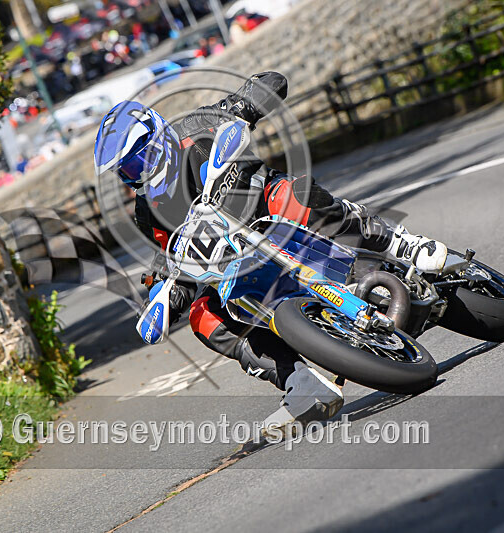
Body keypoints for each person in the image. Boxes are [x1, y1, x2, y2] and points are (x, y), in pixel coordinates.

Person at [93, 72, 448, 430]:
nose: (136, 172)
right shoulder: (145, 210)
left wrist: (249, 103)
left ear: (158, 133)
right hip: (237, 264)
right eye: (126, 170)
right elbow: (173, 255)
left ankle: (401, 244)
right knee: (204, 315)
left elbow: (271, 82)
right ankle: (299, 383)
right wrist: (163, 296)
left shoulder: (197, 125)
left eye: (136, 158)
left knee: (292, 195)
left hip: (270, 213)